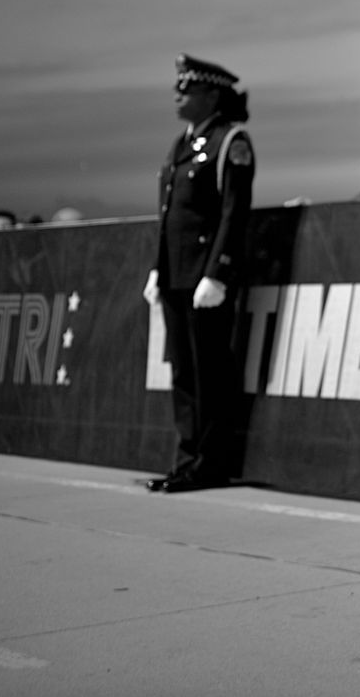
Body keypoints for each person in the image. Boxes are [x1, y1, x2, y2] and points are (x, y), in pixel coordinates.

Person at [143, 55, 255, 494]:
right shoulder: (179, 145)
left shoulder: (232, 141)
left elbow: (232, 213)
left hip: (204, 277)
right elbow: (170, 215)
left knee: (210, 373)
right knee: (184, 373)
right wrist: (158, 267)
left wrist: (218, 272)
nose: (178, 95)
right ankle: (188, 459)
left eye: (186, 89)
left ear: (211, 94)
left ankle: (210, 463)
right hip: (176, 274)